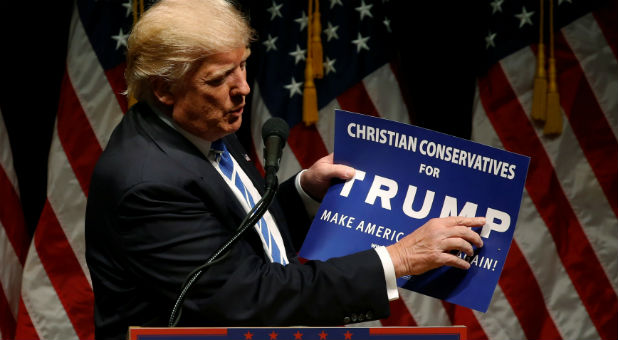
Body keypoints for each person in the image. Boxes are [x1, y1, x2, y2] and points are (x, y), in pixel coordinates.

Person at [85, 0, 485, 339]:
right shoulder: (148, 183)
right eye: (219, 78)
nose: (241, 87)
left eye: (242, 65)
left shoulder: (198, 125)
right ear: (165, 89)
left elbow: (234, 234)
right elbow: (251, 300)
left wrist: (304, 194)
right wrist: (398, 259)